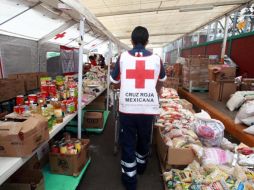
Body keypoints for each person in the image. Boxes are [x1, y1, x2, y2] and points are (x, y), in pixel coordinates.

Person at [110, 26, 166, 190]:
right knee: (144, 139)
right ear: (147, 41)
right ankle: (141, 166)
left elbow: (114, 81)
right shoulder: (156, 59)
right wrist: (153, 92)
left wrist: (126, 85)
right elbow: (162, 79)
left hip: (127, 109)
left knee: (127, 142)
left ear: (132, 41)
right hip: (148, 109)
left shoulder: (123, 57)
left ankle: (130, 180)